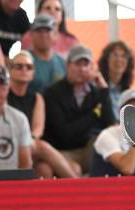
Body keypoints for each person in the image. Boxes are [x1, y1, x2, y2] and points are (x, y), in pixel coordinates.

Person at [43, 44, 114, 174]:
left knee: (104, 142)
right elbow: (64, 134)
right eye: (77, 64)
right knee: (75, 168)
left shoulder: (96, 93)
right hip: (62, 151)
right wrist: (94, 115)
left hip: (87, 150)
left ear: (91, 68)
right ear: (68, 65)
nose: (82, 69)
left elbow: (110, 125)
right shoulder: (52, 93)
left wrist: (104, 90)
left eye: (86, 65)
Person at [8, 50, 79, 178]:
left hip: (31, 146)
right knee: (42, 146)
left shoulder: (37, 98)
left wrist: (28, 140)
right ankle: (82, 189)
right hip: (11, 144)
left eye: (28, 67)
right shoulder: (3, 96)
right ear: (10, 70)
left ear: (33, 73)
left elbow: (38, 130)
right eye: (19, 66)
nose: (24, 70)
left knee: (47, 170)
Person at [26, 13, 66, 94]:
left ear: (55, 34)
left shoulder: (63, 63)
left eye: (47, 30)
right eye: (39, 31)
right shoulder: (23, 62)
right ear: (31, 34)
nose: (43, 35)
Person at [97, 41, 135, 122]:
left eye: (123, 56)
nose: (119, 59)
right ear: (106, 60)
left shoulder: (128, 92)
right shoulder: (97, 87)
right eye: (115, 55)